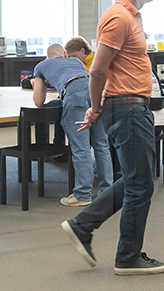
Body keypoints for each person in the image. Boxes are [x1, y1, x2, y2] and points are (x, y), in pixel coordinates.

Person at [61, 0, 164, 276]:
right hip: (126, 107)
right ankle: (127, 256)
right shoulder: (118, 18)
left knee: (138, 180)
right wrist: (95, 107)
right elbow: (97, 69)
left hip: (132, 106)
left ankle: (83, 225)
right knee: (140, 184)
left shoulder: (131, 18)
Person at [31, 43, 113, 207]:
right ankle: (108, 192)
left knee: (81, 147)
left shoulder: (41, 65)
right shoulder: (76, 62)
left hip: (73, 92)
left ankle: (83, 195)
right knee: (101, 144)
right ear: (65, 54)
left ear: (48, 56)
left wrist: (37, 84)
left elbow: (38, 101)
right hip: (94, 89)